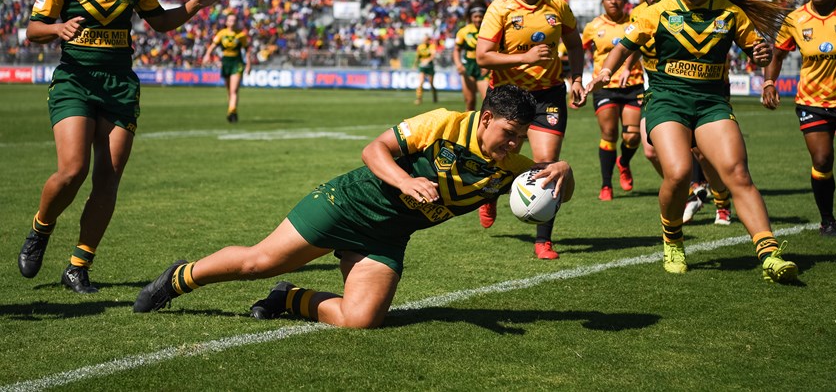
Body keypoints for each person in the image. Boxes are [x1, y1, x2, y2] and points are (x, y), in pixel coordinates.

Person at [133, 85, 575, 327]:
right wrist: (406, 180)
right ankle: (176, 279)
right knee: (257, 261)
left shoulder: (511, 168)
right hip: (346, 204)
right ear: (484, 119)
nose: (515, 142)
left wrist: (565, 174)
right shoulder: (441, 123)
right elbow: (373, 150)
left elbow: (555, 193)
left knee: (360, 320)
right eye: (509, 132)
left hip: (385, 236)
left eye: (521, 135)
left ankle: (288, 299)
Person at [17, 0, 225, 293]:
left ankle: (78, 266)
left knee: (108, 178)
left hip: (120, 85)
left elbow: (160, 21)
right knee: (72, 170)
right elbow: (33, 29)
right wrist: (56, 30)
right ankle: (40, 229)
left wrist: (198, 2)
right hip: (76, 80)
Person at [585, 0, 798, 282]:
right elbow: (621, 47)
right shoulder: (656, 12)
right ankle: (672, 239)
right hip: (667, 100)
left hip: (712, 103)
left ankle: (770, 253)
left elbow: (757, 53)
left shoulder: (730, 13)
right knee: (680, 172)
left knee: (737, 174)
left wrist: (760, 57)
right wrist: (604, 74)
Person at [474, 0, 586, 260]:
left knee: (547, 165)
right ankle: (491, 193)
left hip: (548, 94)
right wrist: (524, 57)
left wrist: (576, 78)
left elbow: (575, 45)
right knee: (497, 158)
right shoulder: (499, 9)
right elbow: (482, 57)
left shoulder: (558, 5)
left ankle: (543, 240)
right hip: (508, 98)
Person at [624, 0, 732, 225]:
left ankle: (722, 202)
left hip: (699, 89)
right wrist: (626, 66)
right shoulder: (639, 15)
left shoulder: (680, 10)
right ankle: (685, 191)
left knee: (703, 153)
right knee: (650, 151)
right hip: (658, 89)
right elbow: (635, 43)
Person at [762, 0, 836, 238]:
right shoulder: (795, 19)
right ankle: (828, 220)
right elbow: (778, 53)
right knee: (822, 160)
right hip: (813, 102)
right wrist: (769, 81)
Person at [582, 0, 643, 201]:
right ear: (603, 1)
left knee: (633, 136)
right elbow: (576, 49)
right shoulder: (593, 26)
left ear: (624, 0)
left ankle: (624, 162)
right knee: (609, 134)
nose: (614, 1)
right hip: (605, 86)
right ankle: (606, 185)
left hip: (633, 83)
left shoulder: (635, 22)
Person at [202, 12, 252, 123]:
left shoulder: (241, 35)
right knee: (229, 90)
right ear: (226, 22)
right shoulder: (222, 33)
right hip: (226, 62)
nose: (232, 22)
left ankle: (232, 111)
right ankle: (232, 110)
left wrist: (249, 64)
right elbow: (213, 45)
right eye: (230, 20)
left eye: (234, 20)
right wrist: (207, 55)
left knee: (234, 90)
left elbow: (247, 51)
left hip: (237, 62)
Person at [452, 0, 489, 111]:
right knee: (470, 101)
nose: (478, 19)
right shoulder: (464, 31)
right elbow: (456, 50)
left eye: (480, 16)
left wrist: (489, 66)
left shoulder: (489, 30)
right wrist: (458, 64)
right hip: (469, 67)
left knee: (487, 102)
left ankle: (485, 128)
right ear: (471, 17)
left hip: (484, 68)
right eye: (475, 16)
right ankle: (469, 128)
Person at [413, 34, 437, 104]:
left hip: (430, 67)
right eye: (424, 40)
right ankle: (419, 98)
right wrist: (415, 64)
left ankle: (434, 96)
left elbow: (433, 55)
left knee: (431, 83)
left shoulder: (432, 46)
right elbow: (418, 56)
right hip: (422, 67)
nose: (425, 41)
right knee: (421, 82)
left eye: (427, 40)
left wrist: (427, 60)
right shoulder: (420, 47)